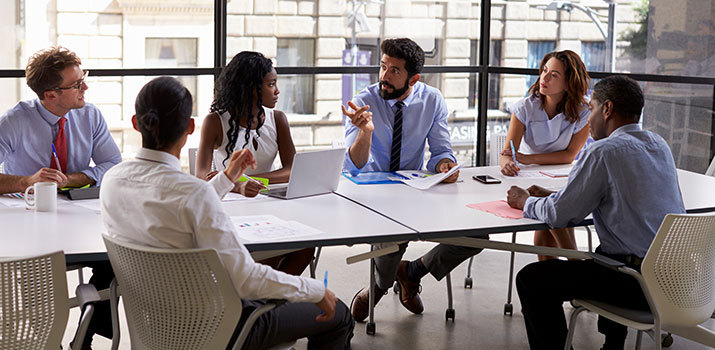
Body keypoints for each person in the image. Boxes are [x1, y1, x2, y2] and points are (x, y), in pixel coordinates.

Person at [100, 76, 354, 350]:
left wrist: (227, 177)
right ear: (190, 127)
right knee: (338, 314)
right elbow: (246, 280)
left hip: (155, 325)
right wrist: (315, 290)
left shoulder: (113, 180)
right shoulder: (193, 193)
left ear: (136, 123)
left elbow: (185, 200)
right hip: (220, 327)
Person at [506, 75, 685, 350]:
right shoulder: (658, 145)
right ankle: (612, 344)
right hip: (674, 277)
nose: (587, 119)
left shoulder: (602, 152)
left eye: (591, 109)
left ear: (608, 109)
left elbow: (559, 216)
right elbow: (625, 198)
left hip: (636, 284)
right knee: (606, 254)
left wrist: (525, 201)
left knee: (532, 280)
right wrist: (559, 196)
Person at [342, 38, 485, 322]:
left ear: (414, 78)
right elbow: (353, 165)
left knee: (476, 236)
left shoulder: (432, 100)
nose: (384, 76)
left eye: (394, 70)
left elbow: (441, 152)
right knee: (390, 239)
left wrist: (445, 164)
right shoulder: (362, 102)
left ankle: (412, 271)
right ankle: (378, 289)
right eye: (383, 67)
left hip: (414, 188)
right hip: (373, 192)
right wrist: (365, 132)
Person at [0, 46, 121, 349]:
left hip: (80, 217)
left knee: (115, 258)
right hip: (31, 223)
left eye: (84, 78)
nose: (85, 87)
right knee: (41, 287)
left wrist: (72, 180)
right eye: (77, 84)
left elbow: (113, 165)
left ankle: (85, 338)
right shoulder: (13, 122)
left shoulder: (90, 115)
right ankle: (44, 340)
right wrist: (28, 181)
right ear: (51, 95)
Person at [196, 51, 314, 276]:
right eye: (271, 84)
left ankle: (270, 302)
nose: (278, 91)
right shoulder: (214, 122)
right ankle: (263, 303)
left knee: (307, 247)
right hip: (230, 207)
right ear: (250, 88)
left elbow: (292, 170)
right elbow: (201, 177)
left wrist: (251, 180)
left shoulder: (277, 119)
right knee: (272, 250)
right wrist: (237, 184)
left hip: (269, 205)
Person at [500, 50, 591, 261]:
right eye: (544, 71)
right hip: (531, 177)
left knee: (550, 213)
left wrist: (527, 159)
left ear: (569, 83)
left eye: (554, 75)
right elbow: (508, 153)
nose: (544, 78)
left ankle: (571, 266)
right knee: (549, 220)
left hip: (564, 176)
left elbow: (569, 156)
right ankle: (573, 265)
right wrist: (507, 164)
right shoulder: (525, 108)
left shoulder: (584, 111)